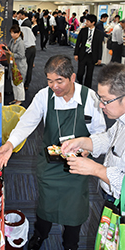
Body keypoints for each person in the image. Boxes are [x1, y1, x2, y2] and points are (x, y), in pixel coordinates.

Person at [0, 55, 106, 250]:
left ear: (72, 78)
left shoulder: (90, 98)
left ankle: (71, 243)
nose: (54, 86)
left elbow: (101, 133)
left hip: (77, 166)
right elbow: (27, 122)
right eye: (49, 80)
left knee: (74, 210)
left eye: (59, 81)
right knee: (46, 205)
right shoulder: (43, 96)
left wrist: (88, 149)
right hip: (49, 164)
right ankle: (40, 235)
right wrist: (11, 144)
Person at [61, 62, 125, 204]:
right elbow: (109, 138)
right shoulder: (121, 120)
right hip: (110, 195)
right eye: (100, 98)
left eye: (106, 101)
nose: (101, 105)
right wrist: (83, 142)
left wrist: (96, 169)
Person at [74, 14, 103, 88]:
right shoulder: (83, 31)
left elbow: (100, 46)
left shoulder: (99, 33)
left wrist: (99, 58)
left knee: (89, 74)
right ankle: (80, 83)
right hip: (83, 54)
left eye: (87, 21)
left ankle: (87, 88)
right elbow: (78, 43)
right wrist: (76, 53)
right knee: (80, 73)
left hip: (92, 55)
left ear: (93, 22)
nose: (86, 22)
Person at [6, 25, 27, 105]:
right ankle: (16, 98)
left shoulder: (20, 43)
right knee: (13, 83)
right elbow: (9, 48)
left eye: (15, 33)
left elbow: (21, 55)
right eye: (11, 33)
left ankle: (20, 100)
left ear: (19, 33)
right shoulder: (12, 40)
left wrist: (11, 54)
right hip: (13, 65)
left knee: (19, 83)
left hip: (19, 66)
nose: (13, 34)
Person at [20, 26, 36, 90]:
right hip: (33, 48)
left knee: (23, 67)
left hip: (26, 50)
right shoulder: (28, 29)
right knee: (30, 67)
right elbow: (34, 39)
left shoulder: (19, 30)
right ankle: (27, 84)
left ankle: (22, 84)